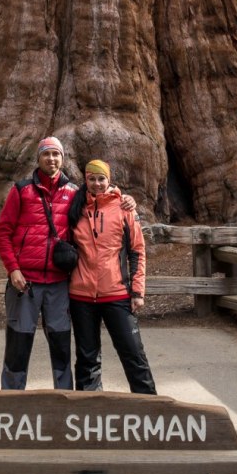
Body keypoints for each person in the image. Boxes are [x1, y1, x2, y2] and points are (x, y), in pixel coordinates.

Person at [0, 136, 78, 390]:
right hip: (25, 283)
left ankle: (64, 397)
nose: (51, 159)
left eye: (56, 154)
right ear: (38, 158)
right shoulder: (22, 190)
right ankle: (12, 398)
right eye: (46, 154)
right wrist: (13, 269)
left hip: (59, 283)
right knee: (18, 343)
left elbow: (100, 202)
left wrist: (123, 198)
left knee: (61, 344)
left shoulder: (73, 193)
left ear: (62, 159)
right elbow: (2, 233)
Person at [67, 159, 157, 395]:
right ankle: (90, 407)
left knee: (133, 353)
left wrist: (137, 291)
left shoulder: (124, 208)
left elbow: (137, 251)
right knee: (87, 358)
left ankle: (149, 406)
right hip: (81, 295)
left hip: (116, 293)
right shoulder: (76, 208)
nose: (97, 183)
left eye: (101, 179)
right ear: (85, 180)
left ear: (109, 180)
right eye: (92, 179)